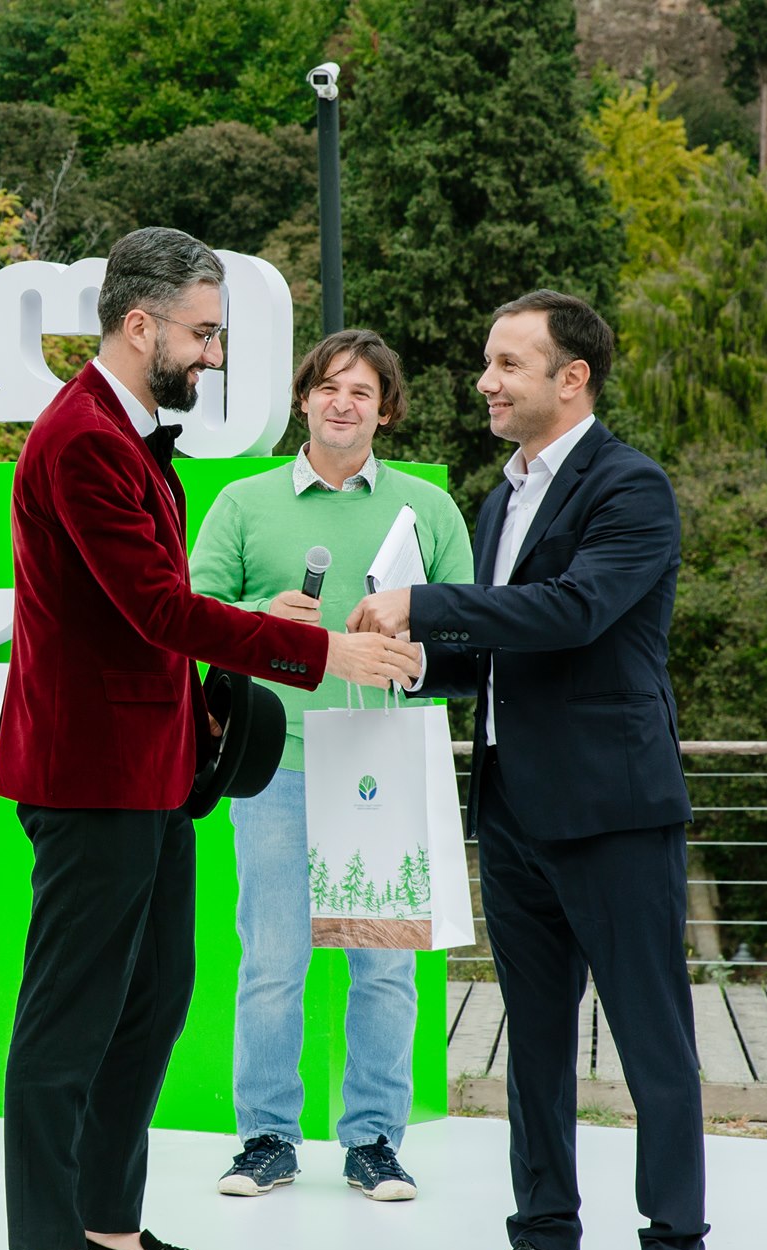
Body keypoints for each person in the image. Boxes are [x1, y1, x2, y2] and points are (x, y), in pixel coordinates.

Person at [0, 227, 423, 1250]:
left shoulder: (126, 437)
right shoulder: (81, 439)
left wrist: (241, 650)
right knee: (70, 1016)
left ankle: (108, 1228)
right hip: (89, 772)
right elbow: (155, 609)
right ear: (139, 325)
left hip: (151, 768)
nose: (214, 354)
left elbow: (147, 612)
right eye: (203, 331)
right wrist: (318, 649)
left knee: (150, 1002)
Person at [347, 291, 709, 1250]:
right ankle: (545, 1241)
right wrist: (417, 660)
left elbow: (573, 611)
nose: (485, 382)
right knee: (534, 1044)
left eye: (508, 363)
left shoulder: (629, 486)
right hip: (510, 808)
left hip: (613, 809)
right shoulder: (496, 498)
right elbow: (496, 650)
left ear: (572, 378)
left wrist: (423, 603)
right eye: (487, 362)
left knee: (652, 1041)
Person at [188, 329, 472, 1205]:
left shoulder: (428, 508)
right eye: (329, 387)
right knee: (273, 963)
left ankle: (375, 1142)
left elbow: (470, 635)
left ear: (386, 411)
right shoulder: (243, 502)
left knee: (383, 968)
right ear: (303, 399)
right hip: (276, 762)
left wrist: (417, 652)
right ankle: (267, 1138)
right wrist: (258, 618)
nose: (343, 403)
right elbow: (187, 616)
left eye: (362, 392)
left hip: (384, 765)